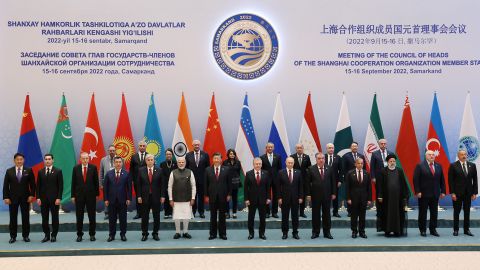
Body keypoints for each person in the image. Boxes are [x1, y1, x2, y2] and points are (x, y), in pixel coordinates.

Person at [3, 153, 35, 243]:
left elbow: (33, 185)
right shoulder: (9, 171)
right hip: (12, 199)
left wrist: (31, 195)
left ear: (23, 160)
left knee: (25, 218)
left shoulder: (28, 170)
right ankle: (13, 236)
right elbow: (5, 186)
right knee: (13, 218)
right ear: (14, 160)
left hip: (25, 198)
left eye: (21, 159)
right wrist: (6, 197)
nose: (19, 161)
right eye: (17, 159)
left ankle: (26, 236)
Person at [413, 150, 446, 237]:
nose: (432, 156)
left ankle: (433, 229)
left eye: (433, 155)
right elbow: (416, 180)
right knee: (423, 213)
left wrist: (443, 191)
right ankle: (423, 230)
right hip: (423, 194)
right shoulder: (420, 166)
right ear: (426, 156)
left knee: (434, 213)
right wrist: (417, 191)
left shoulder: (438, 166)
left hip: (435, 194)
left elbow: (442, 180)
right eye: (430, 155)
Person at [377, 154, 410, 237]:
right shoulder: (383, 171)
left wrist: (405, 196)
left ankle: (397, 230)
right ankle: (387, 230)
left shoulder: (399, 171)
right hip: (386, 198)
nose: (392, 163)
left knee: (398, 213)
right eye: (390, 161)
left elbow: (403, 184)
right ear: (387, 162)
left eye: (394, 161)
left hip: (398, 198)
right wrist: (380, 195)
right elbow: (379, 185)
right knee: (386, 213)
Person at [306, 152, 335, 239]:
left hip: (327, 195)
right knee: (315, 215)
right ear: (316, 159)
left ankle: (327, 232)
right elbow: (307, 183)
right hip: (315, 196)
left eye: (322, 158)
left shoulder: (329, 168)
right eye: (319, 158)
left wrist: (333, 193)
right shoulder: (311, 169)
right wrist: (308, 194)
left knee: (327, 215)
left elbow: (333, 182)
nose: (321, 160)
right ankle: (315, 232)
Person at [448, 149, 478, 236]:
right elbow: (451, 181)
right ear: (458, 156)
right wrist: (452, 193)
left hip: (468, 193)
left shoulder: (472, 165)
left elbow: (475, 180)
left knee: (467, 212)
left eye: (465, 154)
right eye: (462, 154)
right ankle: (456, 230)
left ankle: (466, 230)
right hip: (457, 194)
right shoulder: (453, 166)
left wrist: (474, 193)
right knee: (456, 212)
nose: (464, 156)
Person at [71, 152, 99, 242]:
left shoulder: (93, 168)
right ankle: (79, 235)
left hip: (91, 196)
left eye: (87, 158)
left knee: (92, 216)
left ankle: (92, 234)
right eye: (83, 158)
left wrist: (97, 194)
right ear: (80, 159)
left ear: (89, 159)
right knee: (79, 217)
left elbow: (96, 182)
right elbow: (73, 183)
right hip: (79, 196)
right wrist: (73, 196)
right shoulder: (76, 168)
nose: (85, 160)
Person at [36, 153, 63, 243]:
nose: (47, 161)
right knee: (44, 219)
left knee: (55, 218)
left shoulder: (58, 171)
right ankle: (46, 235)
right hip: (43, 200)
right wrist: (38, 197)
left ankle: (54, 235)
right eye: (46, 159)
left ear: (53, 160)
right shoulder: (40, 172)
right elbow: (38, 186)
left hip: (54, 199)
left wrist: (59, 198)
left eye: (49, 159)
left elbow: (60, 186)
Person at [104, 156, 131, 242]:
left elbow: (129, 188)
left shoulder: (126, 173)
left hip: (123, 200)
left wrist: (128, 198)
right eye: (116, 162)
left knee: (123, 219)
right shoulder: (108, 174)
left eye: (120, 162)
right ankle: (112, 235)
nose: (118, 164)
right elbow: (105, 188)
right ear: (114, 163)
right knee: (112, 219)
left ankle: (123, 234)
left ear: (122, 163)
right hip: (111, 201)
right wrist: (106, 199)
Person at [205, 152, 232, 240]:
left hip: (223, 196)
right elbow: (206, 184)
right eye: (215, 158)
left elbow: (229, 183)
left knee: (222, 216)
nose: (216, 160)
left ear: (221, 160)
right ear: (212, 160)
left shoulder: (227, 169)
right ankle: (212, 234)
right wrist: (206, 195)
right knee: (213, 216)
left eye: (218, 158)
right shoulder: (208, 169)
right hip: (212, 196)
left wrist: (229, 194)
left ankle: (222, 234)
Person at [169, 157, 196, 239]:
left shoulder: (190, 172)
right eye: (179, 162)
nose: (181, 163)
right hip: (176, 199)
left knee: (186, 216)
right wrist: (170, 199)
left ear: (185, 163)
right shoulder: (173, 172)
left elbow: (193, 186)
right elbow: (169, 186)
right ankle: (177, 232)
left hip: (187, 199)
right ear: (177, 163)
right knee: (177, 217)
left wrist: (193, 198)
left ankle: (185, 232)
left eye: (182, 162)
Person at [369, 139, 393, 231]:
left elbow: (393, 164)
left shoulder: (390, 153)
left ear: (386, 144)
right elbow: (372, 167)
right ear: (379, 144)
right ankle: (379, 211)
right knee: (380, 194)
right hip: (379, 178)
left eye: (384, 143)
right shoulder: (375, 154)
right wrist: (373, 177)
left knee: (388, 193)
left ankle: (387, 210)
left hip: (389, 177)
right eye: (381, 144)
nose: (383, 145)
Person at [137, 154, 163, 241]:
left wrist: (162, 196)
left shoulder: (159, 170)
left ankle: (155, 233)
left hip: (156, 197)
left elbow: (162, 185)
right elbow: (138, 185)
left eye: (151, 160)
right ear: (145, 161)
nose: (150, 161)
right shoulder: (141, 170)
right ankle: (144, 234)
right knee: (144, 216)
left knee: (156, 216)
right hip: (144, 197)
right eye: (148, 160)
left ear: (154, 161)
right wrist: (139, 196)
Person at [244, 158, 271, 240]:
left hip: (263, 199)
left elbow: (268, 187)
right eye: (256, 164)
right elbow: (246, 188)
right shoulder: (248, 174)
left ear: (261, 164)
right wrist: (246, 199)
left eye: (259, 164)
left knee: (262, 218)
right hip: (251, 200)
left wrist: (268, 197)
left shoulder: (266, 173)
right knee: (251, 218)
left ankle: (262, 234)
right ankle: (251, 234)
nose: (258, 165)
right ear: (253, 164)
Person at [278, 157, 303, 240]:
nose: (290, 164)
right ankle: (285, 233)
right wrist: (279, 198)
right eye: (288, 162)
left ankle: (295, 232)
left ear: (294, 163)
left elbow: (301, 186)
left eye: (291, 162)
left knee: (295, 216)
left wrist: (300, 197)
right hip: (284, 198)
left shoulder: (298, 172)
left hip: (296, 198)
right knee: (285, 216)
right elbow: (278, 187)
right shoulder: (281, 172)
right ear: (285, 162)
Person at [346, 158, 372, 238]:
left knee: (362, 216)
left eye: (361, 163)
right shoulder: (350, 173)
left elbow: (369, 187)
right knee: (354, 216)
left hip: (363, 198)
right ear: (355, 164)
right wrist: (348, 198)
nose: (360, 165)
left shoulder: (366, 173)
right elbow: (347, 187)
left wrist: (369, 199)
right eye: (358, 163)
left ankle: (362, 232)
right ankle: (354, 231)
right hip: (353, 199)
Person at [185, 139, 209, 218]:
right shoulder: (188, 155)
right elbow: (186, 168)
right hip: (192, 180)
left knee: (201, 197)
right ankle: (193, 211)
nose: (197, 146)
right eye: (195, 145)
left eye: (198, 144)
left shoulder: (205, 155)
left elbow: (208, 168)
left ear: (200, 145)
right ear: (192, 145)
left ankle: (201, 212)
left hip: (202, 180)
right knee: (193, 197)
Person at [341, 142, 366, 217]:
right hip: (350, 179)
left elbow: (364, 168)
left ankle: (358, 210)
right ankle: (350, 211)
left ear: (357, 147)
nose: (355, 147)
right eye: (353, 146)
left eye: (356, 146)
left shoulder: (361, 156)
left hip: (360, 179)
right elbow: (343, 168)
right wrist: (346, 179)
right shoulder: (346, 156)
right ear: (350, 147)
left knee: (359, 195)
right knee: (350, 195)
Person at [100, 145, 123, 220]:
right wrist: (101, 184)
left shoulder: (121, 159)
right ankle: (107, 213)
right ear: (108, 151)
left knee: (118, 198)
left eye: (113, 150)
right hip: (107, 183)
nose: (112, 152)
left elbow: (124, 172)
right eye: (110, 151)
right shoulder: (103, 160)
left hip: (118, 182)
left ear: (115, 151)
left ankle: (119, 213)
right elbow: (101, 172)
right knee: (107, 198)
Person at [260, 142, 282, 218]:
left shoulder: (278, 157)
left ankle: (274, 212)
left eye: (271, 147)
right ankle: (267, 212)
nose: (270, 148)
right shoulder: (262, 157)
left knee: (276, 196)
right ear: (266, 148)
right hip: (265, 180)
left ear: (273, 148)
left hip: (276, 179)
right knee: (266, 196)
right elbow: (261, 170)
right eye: (268, 147)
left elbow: (280, 169)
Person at [291, 143, 311, 218]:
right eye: (298, 148)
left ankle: (302, 212)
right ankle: (295, 212)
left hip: (304, 180)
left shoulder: (307, 157)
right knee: (295, 196)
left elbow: (309, 168)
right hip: (294, 180)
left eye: (301, 148)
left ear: (303, 149)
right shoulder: (292, 157)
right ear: (296, 149)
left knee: (302, 196)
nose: (299, 149)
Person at [129, 140, 148, 219]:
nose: (142, 147)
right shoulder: (134, 156)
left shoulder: (149, 156)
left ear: (146, 147)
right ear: (138, 147)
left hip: (147, 181)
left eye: (144, 146)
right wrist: (132, 180)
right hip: (137, 181)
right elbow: (131, 169)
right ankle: (138, 213)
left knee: (146, 197)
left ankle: (145, 213)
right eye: (141, 146)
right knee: (138, 197)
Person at [223, 149, 242, 219]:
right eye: (230, 154)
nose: (232, 155)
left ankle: (234, 213)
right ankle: (227, 213)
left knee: (235, 199)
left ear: (235, 154)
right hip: (227, 183)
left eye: (233, 154)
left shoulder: (238, 162)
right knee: (227, 199)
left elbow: (239, 173)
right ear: (228, 154)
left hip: (235, 183)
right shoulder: (225, 162)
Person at [325, 143, 342, 218]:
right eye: (329, 148)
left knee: (335, 197)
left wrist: (340, 181)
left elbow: (341, 170)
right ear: (326, 149)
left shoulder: (338, 157)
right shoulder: (323, 157)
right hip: (324, 181)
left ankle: (335, 212)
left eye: (332, 148)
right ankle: (325, 213)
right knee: (325, 197)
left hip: (335, 181)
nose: (331, 149)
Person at [159, 148, 177, 219]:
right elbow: (161, 175)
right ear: (165, 155)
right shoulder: (162, 164)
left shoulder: (175, 163)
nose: (168, 155)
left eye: (170, 154)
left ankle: (173, 212)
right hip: (165, 184)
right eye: (167, 154)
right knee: (166, 198)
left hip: (174, 184)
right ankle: (166, 213)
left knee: (173, 198)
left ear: (172, 155)